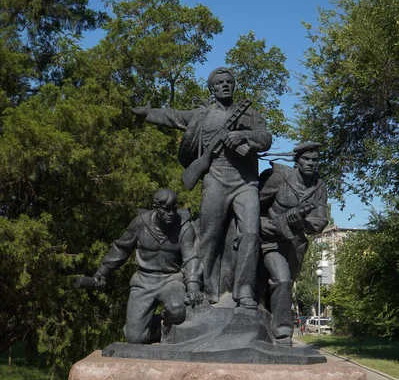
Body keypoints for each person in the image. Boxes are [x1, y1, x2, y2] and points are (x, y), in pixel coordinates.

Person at [133, 67, 271, 308]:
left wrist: (243, 136)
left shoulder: (249, 113)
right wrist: (147, 113)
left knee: (250, 233)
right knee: (209, 235)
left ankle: (245, 291)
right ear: (212, 88)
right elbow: (173, 116)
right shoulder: (202, 115)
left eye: (229, 82)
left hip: (245, 182)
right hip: (215, 177)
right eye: (220, 83)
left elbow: (265, 138)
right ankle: (204, 292)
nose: (225, 85)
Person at [92, 189, 203, 343]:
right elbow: (121, 249)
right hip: (144, 281)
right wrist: (102, 271)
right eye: (165, 210)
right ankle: (153, 326)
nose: (170, 214)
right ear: (155, 208)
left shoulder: (184, 227)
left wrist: (193, 287)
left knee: (177, 310)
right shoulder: (140, 224)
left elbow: (191, 259)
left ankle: (169, 327)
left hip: (171, 280)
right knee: (135, 337)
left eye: (174, 209)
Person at [259, 142, 328, 344]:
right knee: (282, 280)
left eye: (314, 160)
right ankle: (283, 335)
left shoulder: (319, 187)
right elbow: (251, 203)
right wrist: (260, 222)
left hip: (295, 246)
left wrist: (305, 223)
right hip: (271, 241)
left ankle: (269, 326)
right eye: (306, 159)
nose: (310, 163)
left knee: (285, 286)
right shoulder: (278, 177)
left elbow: (320, 220)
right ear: (297, 160)